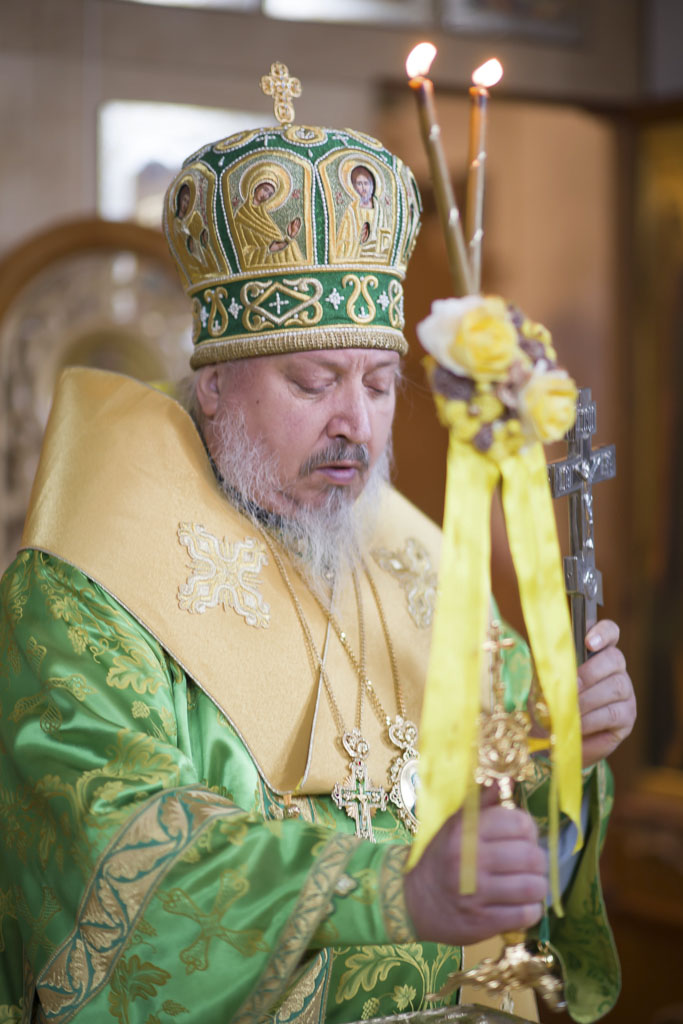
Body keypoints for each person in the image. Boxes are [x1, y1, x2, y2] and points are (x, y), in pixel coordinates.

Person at [0, 97, 635, 1024]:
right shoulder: (83, 589)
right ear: (215, 386)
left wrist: (566, 749)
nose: (356, 425)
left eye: (378, 384)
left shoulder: (418, 563)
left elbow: (511, 826)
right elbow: (117, 856)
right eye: (312, 381)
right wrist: (387, 891)